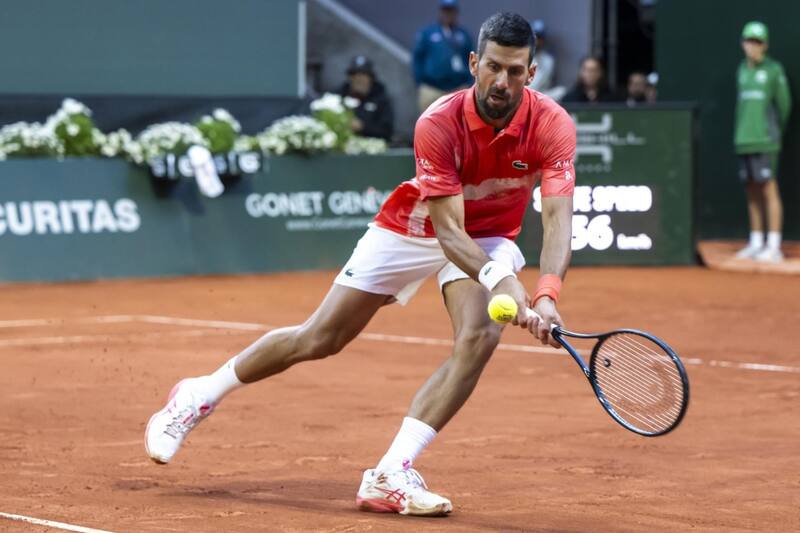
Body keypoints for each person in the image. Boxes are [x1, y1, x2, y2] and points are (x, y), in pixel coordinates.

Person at [145, 12, 576, 517]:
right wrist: (502, 278)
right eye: (494, 68)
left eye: (516, 72)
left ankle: (391, 472)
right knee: (321, 338)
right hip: (418, 226)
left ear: (532, 74)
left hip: (488, 233)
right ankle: (199, 393)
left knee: (480, 335)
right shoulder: (438, 121)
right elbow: (448, 231)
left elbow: (557, 217)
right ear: (474, 62)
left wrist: (546, 293)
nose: (503, 82)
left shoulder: (552, 125)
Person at [734, 21, 792, 262]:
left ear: (765, 45)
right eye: (749, 41)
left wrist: (773, 132)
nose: (752, 46)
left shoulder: (773, 70)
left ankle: (774, 245)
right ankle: (756, 241)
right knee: (751, 189)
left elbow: (784, 106)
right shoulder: (741, 71)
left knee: (769, 189)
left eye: (757, 42)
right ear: (742, 43)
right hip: (744, 139)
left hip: (766, 141)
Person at [413, 0, 474, 113]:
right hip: (432, 88)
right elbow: (417, 58)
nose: (448, 14)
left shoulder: (464, 34)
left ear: (456, 12)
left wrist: (469, 83)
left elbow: (472, 59)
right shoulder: (428, 33)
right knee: (429, 125)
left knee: (457, 125)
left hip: (458, 88)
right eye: (445, 10)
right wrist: (420, 83)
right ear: (440, 11)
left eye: (451, 11)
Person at [338, 55, 394, 141]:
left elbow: (387, 131)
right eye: (355, 74)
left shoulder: (381, 99)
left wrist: (362, 127)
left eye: (364, 74)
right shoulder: (338, 97)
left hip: (373, 149)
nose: (359, 79)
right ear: (350, 77)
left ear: (371, 78)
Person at [527, 19, 555, 92]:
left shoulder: (548, 60)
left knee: (561, 91)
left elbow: (544, 83)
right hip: (523, 92)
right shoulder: (522, 55)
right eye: (535, 36)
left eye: (540, 38)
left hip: (541, 94)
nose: (537, 41)